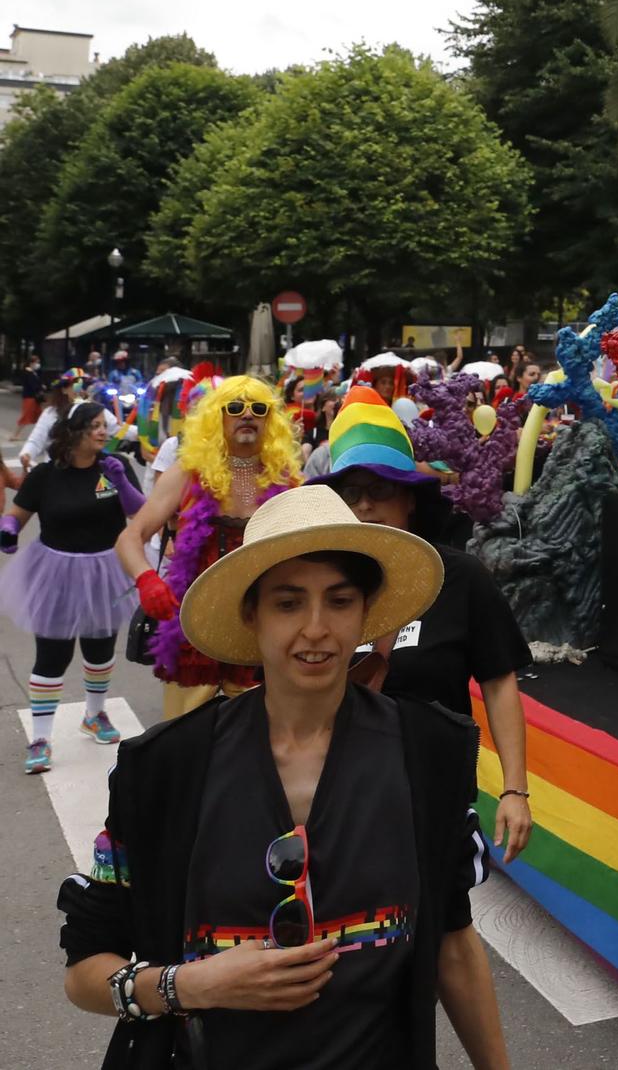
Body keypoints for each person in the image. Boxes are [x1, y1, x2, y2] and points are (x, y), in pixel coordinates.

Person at [57, 484, 511, 1068]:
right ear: (253, 614)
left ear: (367, 612)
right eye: (289, 603)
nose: (317, 629)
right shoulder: (167, 767)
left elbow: (451, 939)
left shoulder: (429, 749)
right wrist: (189, 987)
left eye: (340, 601)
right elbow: (84, 973)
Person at [313, 387, 535, 862]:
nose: (365, 505)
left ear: (410, 499)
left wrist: (516, 791)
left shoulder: (460, 578)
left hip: (433, 800)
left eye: (380, 489)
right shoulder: (316, 585)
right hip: (331, 800)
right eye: (351, 493)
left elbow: (498, 683)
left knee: (441, 928)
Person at [117, 377, 300, 719]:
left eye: (258, 409)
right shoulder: (188, 474)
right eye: (235, 408)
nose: (247, 416)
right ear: (218, 417)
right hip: (195, 624)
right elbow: (131, 536)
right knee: (184, 732)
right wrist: (147, 580)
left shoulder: (285, 478)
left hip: (262, 625)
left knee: (261, 734)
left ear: (269, 420)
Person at [1, 401, 144, 773]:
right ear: (74, 431)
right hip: (56, 572)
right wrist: (9, 532)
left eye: (104, 425)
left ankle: (94, 716)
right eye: (95, 425)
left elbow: (139, 513)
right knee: (52, 655)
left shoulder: (115, 467)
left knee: (100, 651)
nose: (103, 432)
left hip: (105, 571)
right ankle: (41, 738)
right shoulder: (46, 475)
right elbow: (17, 515)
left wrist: (121, 480)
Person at [20, 371, 82, 470]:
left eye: (84, 385)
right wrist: (27, 454)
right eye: (77, 385)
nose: (81, 389)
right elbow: (36, 440)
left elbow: (114, 433)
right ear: (64, 390)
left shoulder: (97, 411)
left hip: (85, 472)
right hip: (56, 472)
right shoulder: (50, 414)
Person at [14, 352, 45, 440]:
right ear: (32, 363)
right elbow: (32, 385)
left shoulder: (32, 372)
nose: (38, 364)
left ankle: (40, 435)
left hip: (34, 397)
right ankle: (15, 434)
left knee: (39, 416)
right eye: (37, 362)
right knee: (26, 416)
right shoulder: (28, 372)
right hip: (30, 397)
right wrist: (40, 387)